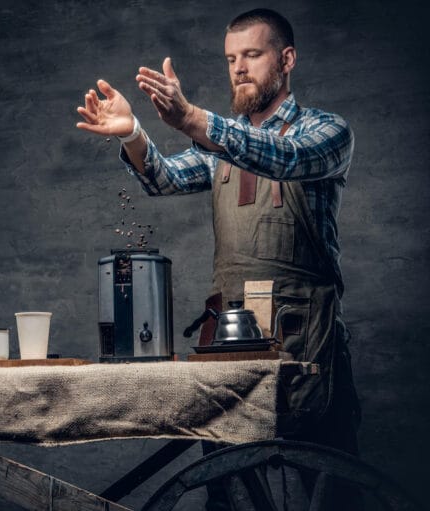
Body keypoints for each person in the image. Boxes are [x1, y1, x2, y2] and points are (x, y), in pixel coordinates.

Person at [76, 7, 361, 508]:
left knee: (333, 484)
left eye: (252, 54)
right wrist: (132, 134)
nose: (239, 68)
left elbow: (282, 158)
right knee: (227, 487)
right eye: (231, 58)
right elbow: (162, 178)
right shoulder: (218, 146)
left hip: (306, 339)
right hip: (230, 340)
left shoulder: (326, 133)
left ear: (286, 59)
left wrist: (190, 118)